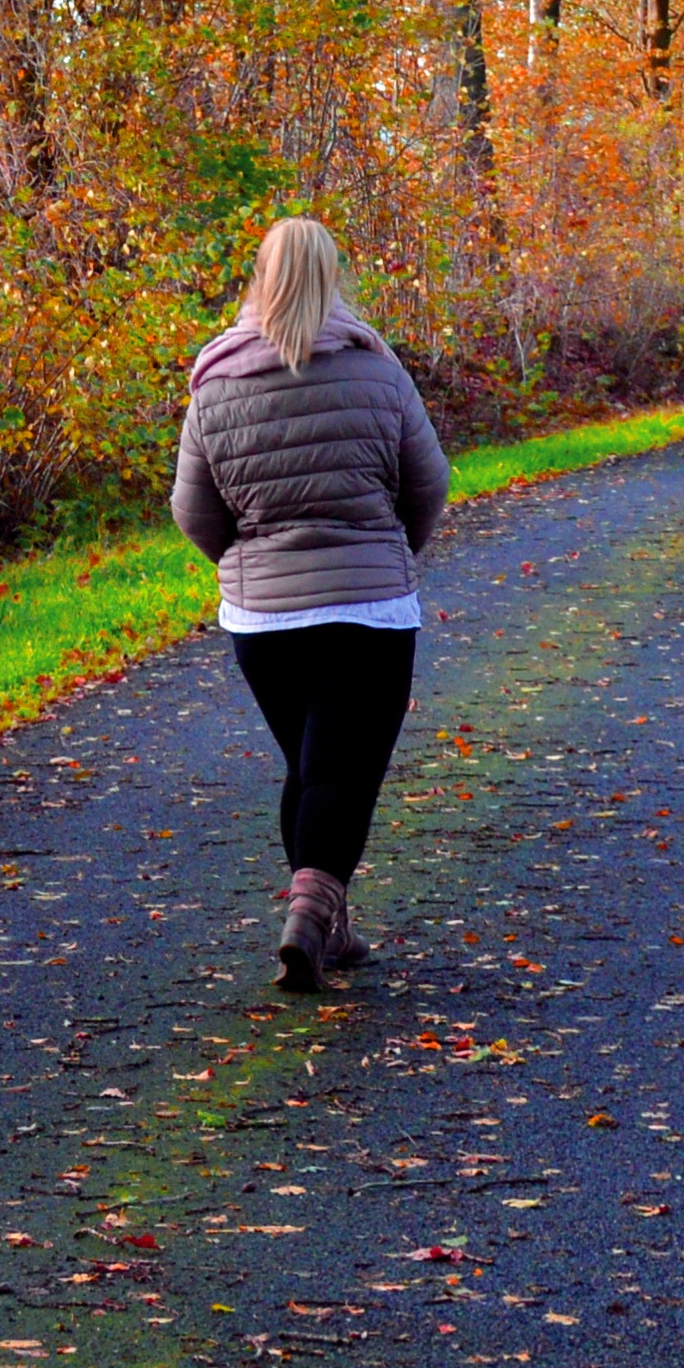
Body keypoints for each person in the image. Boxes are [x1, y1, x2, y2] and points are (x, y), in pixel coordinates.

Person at [169, 214, 451, 991]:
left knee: (312, 766)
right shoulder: (377, 371)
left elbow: (194, 512)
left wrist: (244, 563)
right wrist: (393, 552)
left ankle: (333, 923)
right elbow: (428, 484)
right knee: (341, 775)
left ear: (258, 278)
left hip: (263, 621)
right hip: (369, 610)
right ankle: (309, 913)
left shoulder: (215, 381)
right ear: (334, 278)